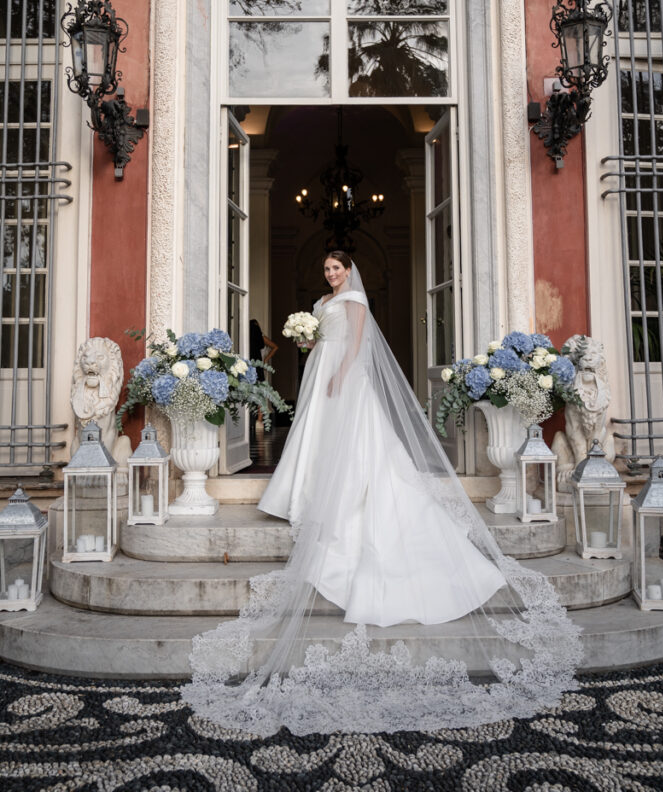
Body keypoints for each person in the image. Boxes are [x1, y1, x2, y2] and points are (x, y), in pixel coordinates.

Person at [183, 252, 581, 735]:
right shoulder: (322, 300)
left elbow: (354, 344)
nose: (331, 274)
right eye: (326, 269)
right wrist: (309, 342)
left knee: (356, 446)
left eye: (336, 269)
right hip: (321, 370)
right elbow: (325, 339)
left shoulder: (352, 300)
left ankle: (340, 499)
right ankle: (303, 497)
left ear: (349, 271)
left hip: (346, 377)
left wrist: (339, 373)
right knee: (315, 436)